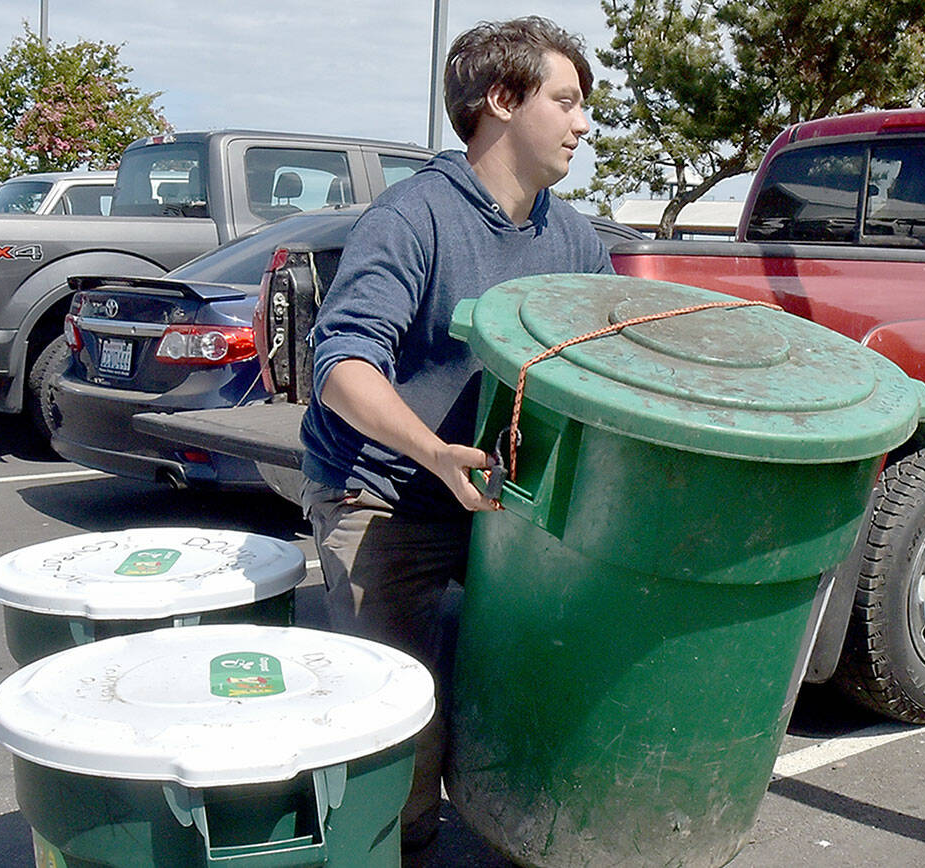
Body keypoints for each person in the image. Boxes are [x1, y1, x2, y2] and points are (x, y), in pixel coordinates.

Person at [298, 15, 613, 851]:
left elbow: (611, 362)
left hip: (503, 507)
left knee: (515, 714)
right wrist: (434, 452)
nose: (585, 124)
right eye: (568, 101)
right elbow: (340, 366)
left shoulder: (573, 236)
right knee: (400, 745)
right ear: (501, 100)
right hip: (386, 498)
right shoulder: (412, 220)